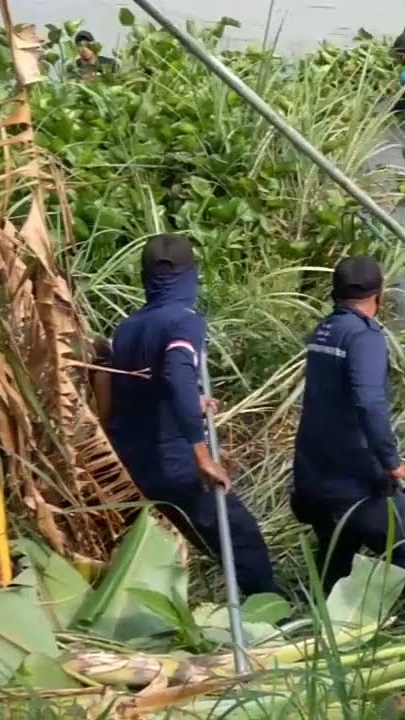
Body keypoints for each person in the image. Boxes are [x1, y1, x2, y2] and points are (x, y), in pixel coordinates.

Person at [100, 234, 279, 598]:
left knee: (194, 538)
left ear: (145, 278)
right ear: (190, 276)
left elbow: (126, 387)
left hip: (130, 461)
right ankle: (270, 618)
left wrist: (188, 402)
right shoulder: (185, 321)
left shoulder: (126, 328)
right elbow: (177, 373)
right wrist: (201, 454)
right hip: (172, 461)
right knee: (240, 538)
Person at [290, 255, 405, 616]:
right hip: (355, 480)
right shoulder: (364, 336)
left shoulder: (324, 331)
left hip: (312, 474)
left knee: (337, 556)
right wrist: (391, 462)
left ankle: (323, 626)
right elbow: (370, 402)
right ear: (380, 295)